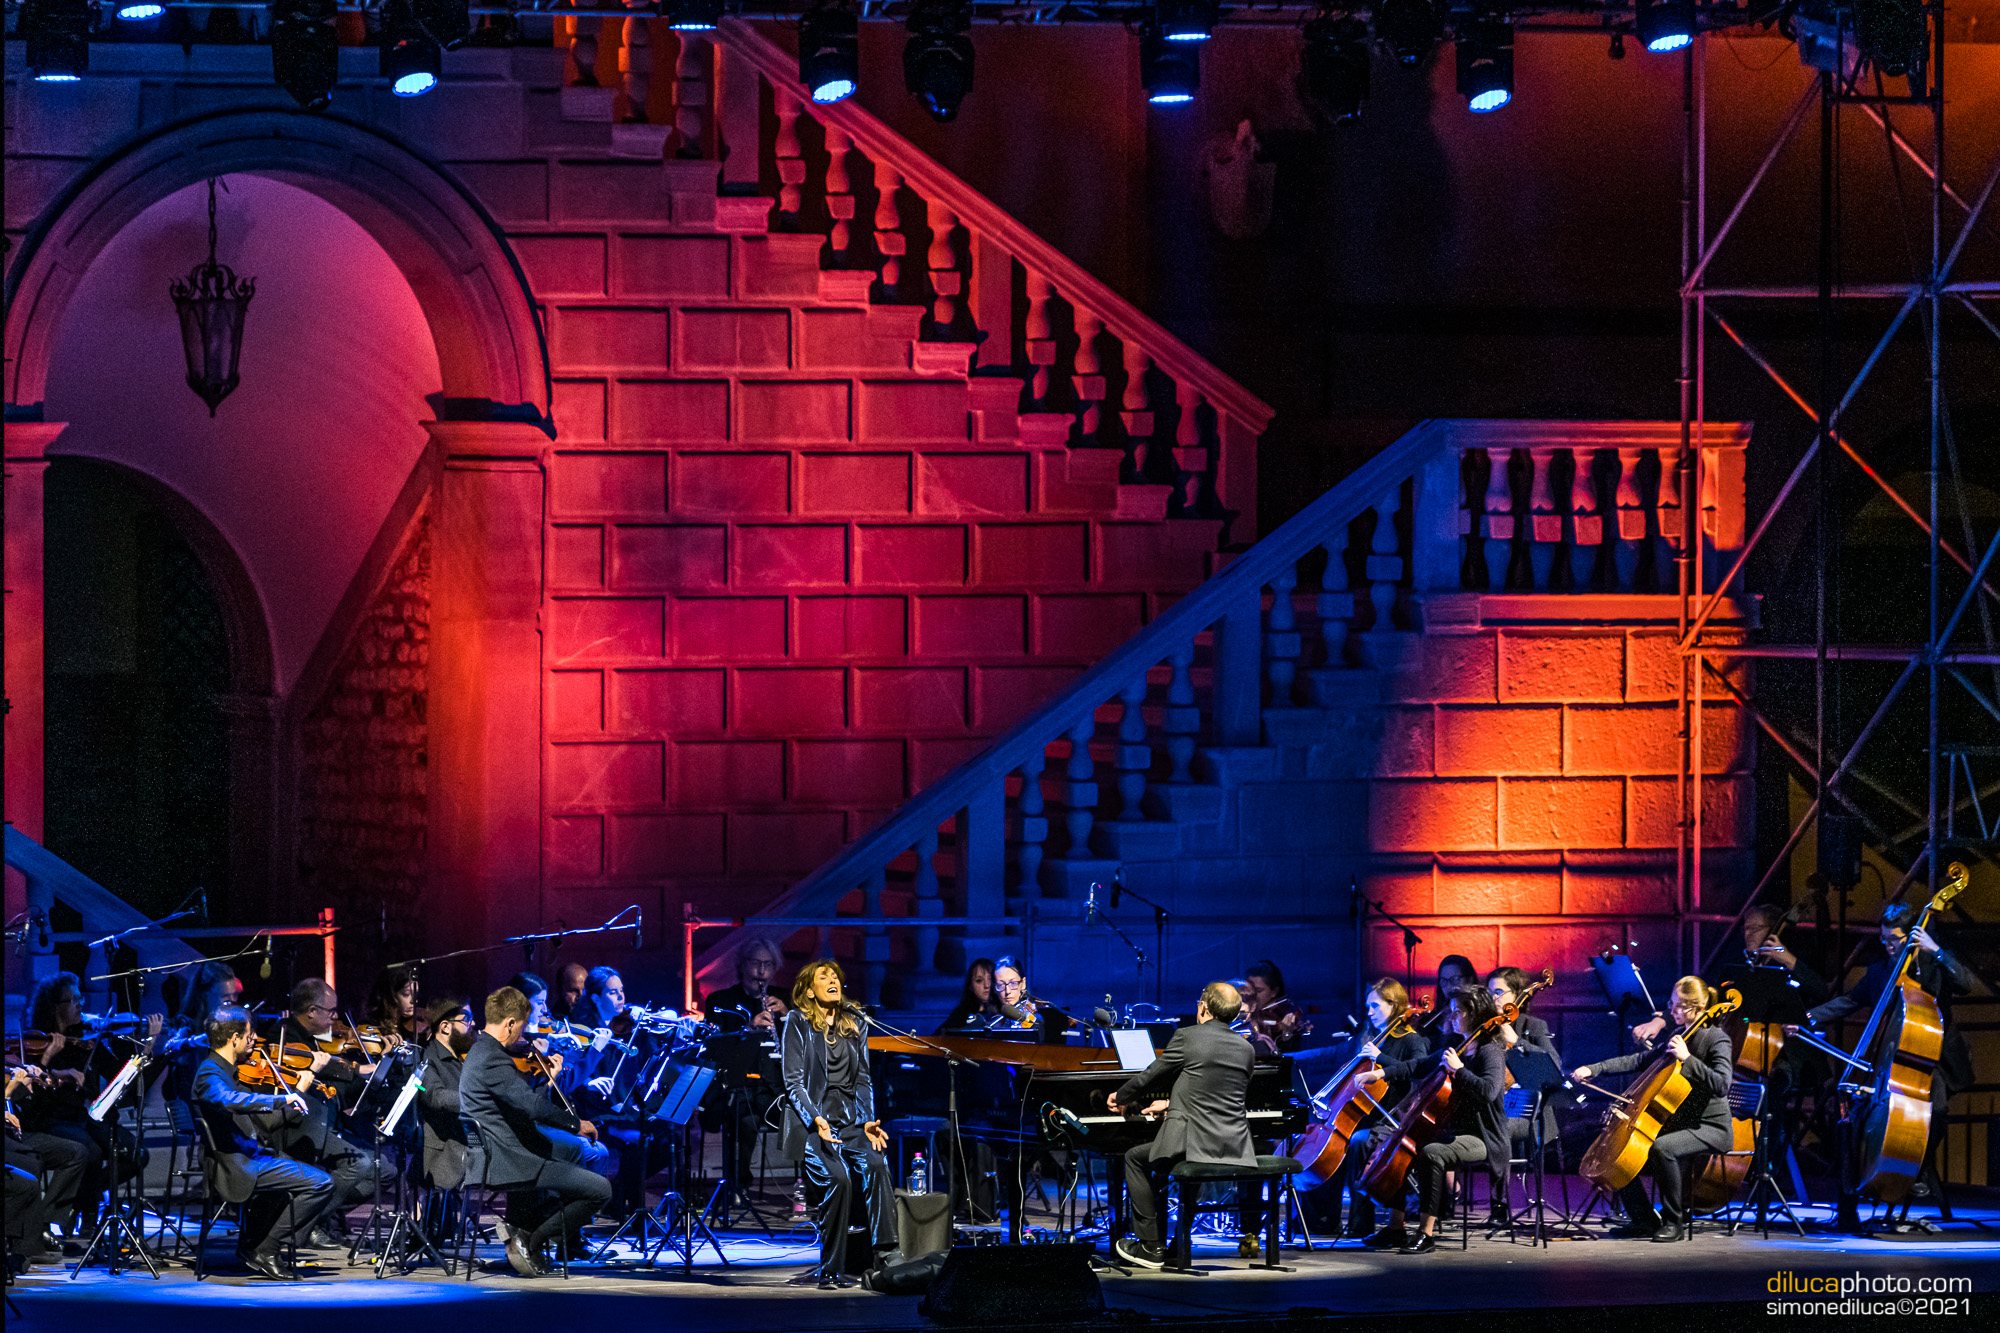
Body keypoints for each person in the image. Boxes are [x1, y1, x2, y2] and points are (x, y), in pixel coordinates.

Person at [1794, 900, 1975, 1218]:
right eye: (1884, 939)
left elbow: (1966, 984)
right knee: (1849, 1116)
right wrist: (1807, 1017)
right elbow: (1849, 1001)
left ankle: (1918, 1168)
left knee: (1936, 1106)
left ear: (1912, 936)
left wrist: (1936, 950)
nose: (1888, 946)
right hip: (1889, 1062)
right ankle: (1849, 1203)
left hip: (1933, 1059)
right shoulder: (1879, 972)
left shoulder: (1933, 964)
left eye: (1894, 940)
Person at [460, 986, 611, 1277]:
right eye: (522, 1027)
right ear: (510, 1023)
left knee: (572, 1151)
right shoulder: (492, 1058)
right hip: (509, 1158)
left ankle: (525, 1228)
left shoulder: (482, 1051)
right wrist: (575, 1124)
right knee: (600, 1190)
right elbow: (530, 1106)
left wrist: (546, 1081)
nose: (523, 1036)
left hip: (503, 1149)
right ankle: (531, 1240)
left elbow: (520, 1102)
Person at [1108, 981, 1257, 1270]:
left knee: (1135, 1158)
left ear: (1204, 1008)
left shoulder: (1188, 1037)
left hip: (1193, 1140)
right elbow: (1214, 1092)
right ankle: (1178, 1245)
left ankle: (1150, 1246)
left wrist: (1121, 1095)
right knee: (1188, 1158)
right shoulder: (1246, 1048)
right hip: (1232, 1143)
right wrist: (1171, 1103)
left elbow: (1152, 1074)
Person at [1573, 976, 1733, 1242]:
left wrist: (1688, 1059)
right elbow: (1640, 1060)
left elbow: (1722, 1085)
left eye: (1679, 1006)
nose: (1673, 1010)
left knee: (1662, 1148)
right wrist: (1595, 1068)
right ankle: (1644, 1220)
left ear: (1698, 1007)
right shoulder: (1678, 1035)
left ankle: (1674, 1222)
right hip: (1680, 1121)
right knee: (1622, 1152)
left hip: (1709, 1126)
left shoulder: (1716, 1038)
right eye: (1672, 1004)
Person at [1358, 984, 1508, 1254]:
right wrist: (1380, 1073)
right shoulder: (1458, 1046)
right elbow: (1417, 1065)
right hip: (1450, 1129)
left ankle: (1425, 1233)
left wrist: (1459, 1070)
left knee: (1431, 1153)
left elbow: (1488, 1091)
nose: (1452, 1017)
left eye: (1458, 1011)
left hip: (1482, 1136)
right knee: (1402, 1147)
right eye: (1451, 1011)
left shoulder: (1490, 1050)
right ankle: (1396, 1228)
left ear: (1476, 1012)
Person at [188, 1006, 336, 1280]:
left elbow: (264, 1122)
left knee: (299, 1171)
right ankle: (266, 1249)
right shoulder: (210, 1074)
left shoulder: (231, 1071)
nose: (254, 1038)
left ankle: (255, 1244)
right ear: (234, 1038)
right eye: (249, 1034)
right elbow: (230, 1100)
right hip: (234, 1165)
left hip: (250, 1157)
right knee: (321, 1183)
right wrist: (282, 1098)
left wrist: (296, 1094)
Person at [779, 959, 896, 1288]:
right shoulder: (798, 1021)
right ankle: (830, 1267)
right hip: (812, 1123)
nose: (833, 980)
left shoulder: (854, 1021)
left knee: (877, 1164)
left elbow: (863, 1079)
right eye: (824, 977)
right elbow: (793, 1082)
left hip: (850, 1121)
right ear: (809, 990)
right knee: (839, 1178)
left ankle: (888, 1253)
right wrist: (816, 1119)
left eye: (835, 976)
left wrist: (868, 1120)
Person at [1314, 977, 1429, 1240]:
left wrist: (1380, 1058)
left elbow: (1420, 1070)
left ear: (1393, 1004)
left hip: (1395, 1120)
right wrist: (1286, 1059)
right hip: (1367, 1117)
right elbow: (1330, 1054)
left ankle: (1360, 1225)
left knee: (1357, 1142)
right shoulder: (1371, 1037)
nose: (1369, 1012)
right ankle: (1320, 1220)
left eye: (1375, 1006)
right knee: (1326, 1145)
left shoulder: (1411, 1040)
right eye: (1368, 1006)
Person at [276, 979, 382, 1242]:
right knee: (361, 1163)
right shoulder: (285, 1036)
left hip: (323, 1125)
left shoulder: (315, 1038)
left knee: (384, 1170)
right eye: (331, 1011)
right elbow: (303, 1075)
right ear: (312, 1011)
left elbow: (333, 1075)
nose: (335, 1018)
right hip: (299, 1129)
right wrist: (356, 1069)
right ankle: (306, 1223)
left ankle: (317, 1218)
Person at [1483, 965, 1561, 1225]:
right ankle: (1443, 1202)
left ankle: (1499, 1206)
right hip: (1494, 1103)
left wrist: (1516, 1041)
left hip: (1527, 1110)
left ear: (1516, 995)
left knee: (1499, 1128)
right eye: (1489, 992)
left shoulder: (1533, 1025)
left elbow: (1554, 1064)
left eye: (1498, 992)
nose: (1492, 998)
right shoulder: (1485, 1027)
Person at [4, 1064, 88, 1264]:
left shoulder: (21, 1070)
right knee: (32, 1162)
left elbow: (38, 1117)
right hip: (12, 1138)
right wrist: (8, 1094)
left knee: (77, 1152)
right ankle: (26, 1243)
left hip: (24, 1134)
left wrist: (29, 1089)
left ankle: (44, 1221)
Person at [704, 938, 791, 1034]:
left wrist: (787, 1016)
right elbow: (713, 1041)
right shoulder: (719, 1000)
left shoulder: (786, 998)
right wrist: (748, 1029)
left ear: (774, 969)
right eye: (755, 962)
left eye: (768, 964)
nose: (761, 971)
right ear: (742, 965)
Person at [1241, 961, 1313, 1053]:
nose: (1253, 994)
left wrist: (1287, 1035)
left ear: (1274, 992)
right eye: (1250, 989)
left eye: (1259, 990)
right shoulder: (1243, 1011)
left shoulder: (1285, 1013)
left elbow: (1290, 1054)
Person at [938, 958, 1002, 1031]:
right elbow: (940, 1034)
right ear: (970, 986)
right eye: (979, 981)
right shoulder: (961, 1014)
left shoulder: (1006, 1010)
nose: (986, 985)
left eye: (990, 979)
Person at [367, 966, 424, 1043]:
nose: (414, 1001)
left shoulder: (413, 1026)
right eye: (407, 994)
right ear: (391, 996)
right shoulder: (372, 1027)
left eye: (415, 994)